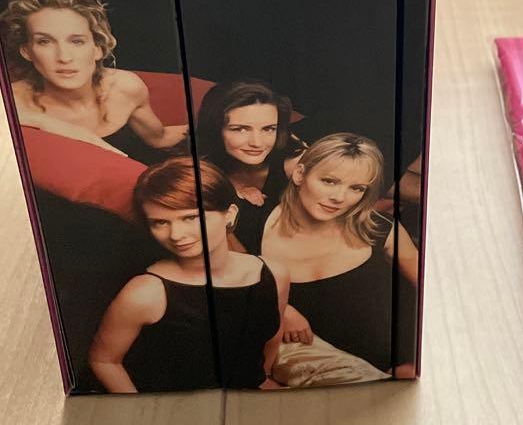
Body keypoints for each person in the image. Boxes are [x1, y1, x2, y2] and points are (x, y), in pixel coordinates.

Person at [89, 158, 288, 392]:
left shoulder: (274, 274)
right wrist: (141, 410)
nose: (175, 234)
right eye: (160, 222)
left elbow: (272, 336)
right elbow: (103, 360)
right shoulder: (145, 292)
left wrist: (261, 380)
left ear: (229, 214)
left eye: (190, 217)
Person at [262, 133, 419, 378]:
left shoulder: (379, 229)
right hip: (324, 378)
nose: (339, 198)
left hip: (402, 366)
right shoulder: (252, 226)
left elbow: (433, 292)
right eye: (329, 181)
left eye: (357, 188)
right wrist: (282, 308)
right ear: (300, 174)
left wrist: (419, 361)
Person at [0, 0, 187, 163]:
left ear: (98, 48)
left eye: (77, 41)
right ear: (26, 51)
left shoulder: (125, 88)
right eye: (44, 41)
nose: (64, 57)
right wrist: (48, 124)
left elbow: (159, 139)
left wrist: (207, 125)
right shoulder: (9, 102)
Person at [195, 80, 305, 252]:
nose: (257, 143)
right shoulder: (200, 167)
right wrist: (229, 191)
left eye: (268, 129)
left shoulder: (295, 162)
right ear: (215, 129)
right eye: (240, 129)